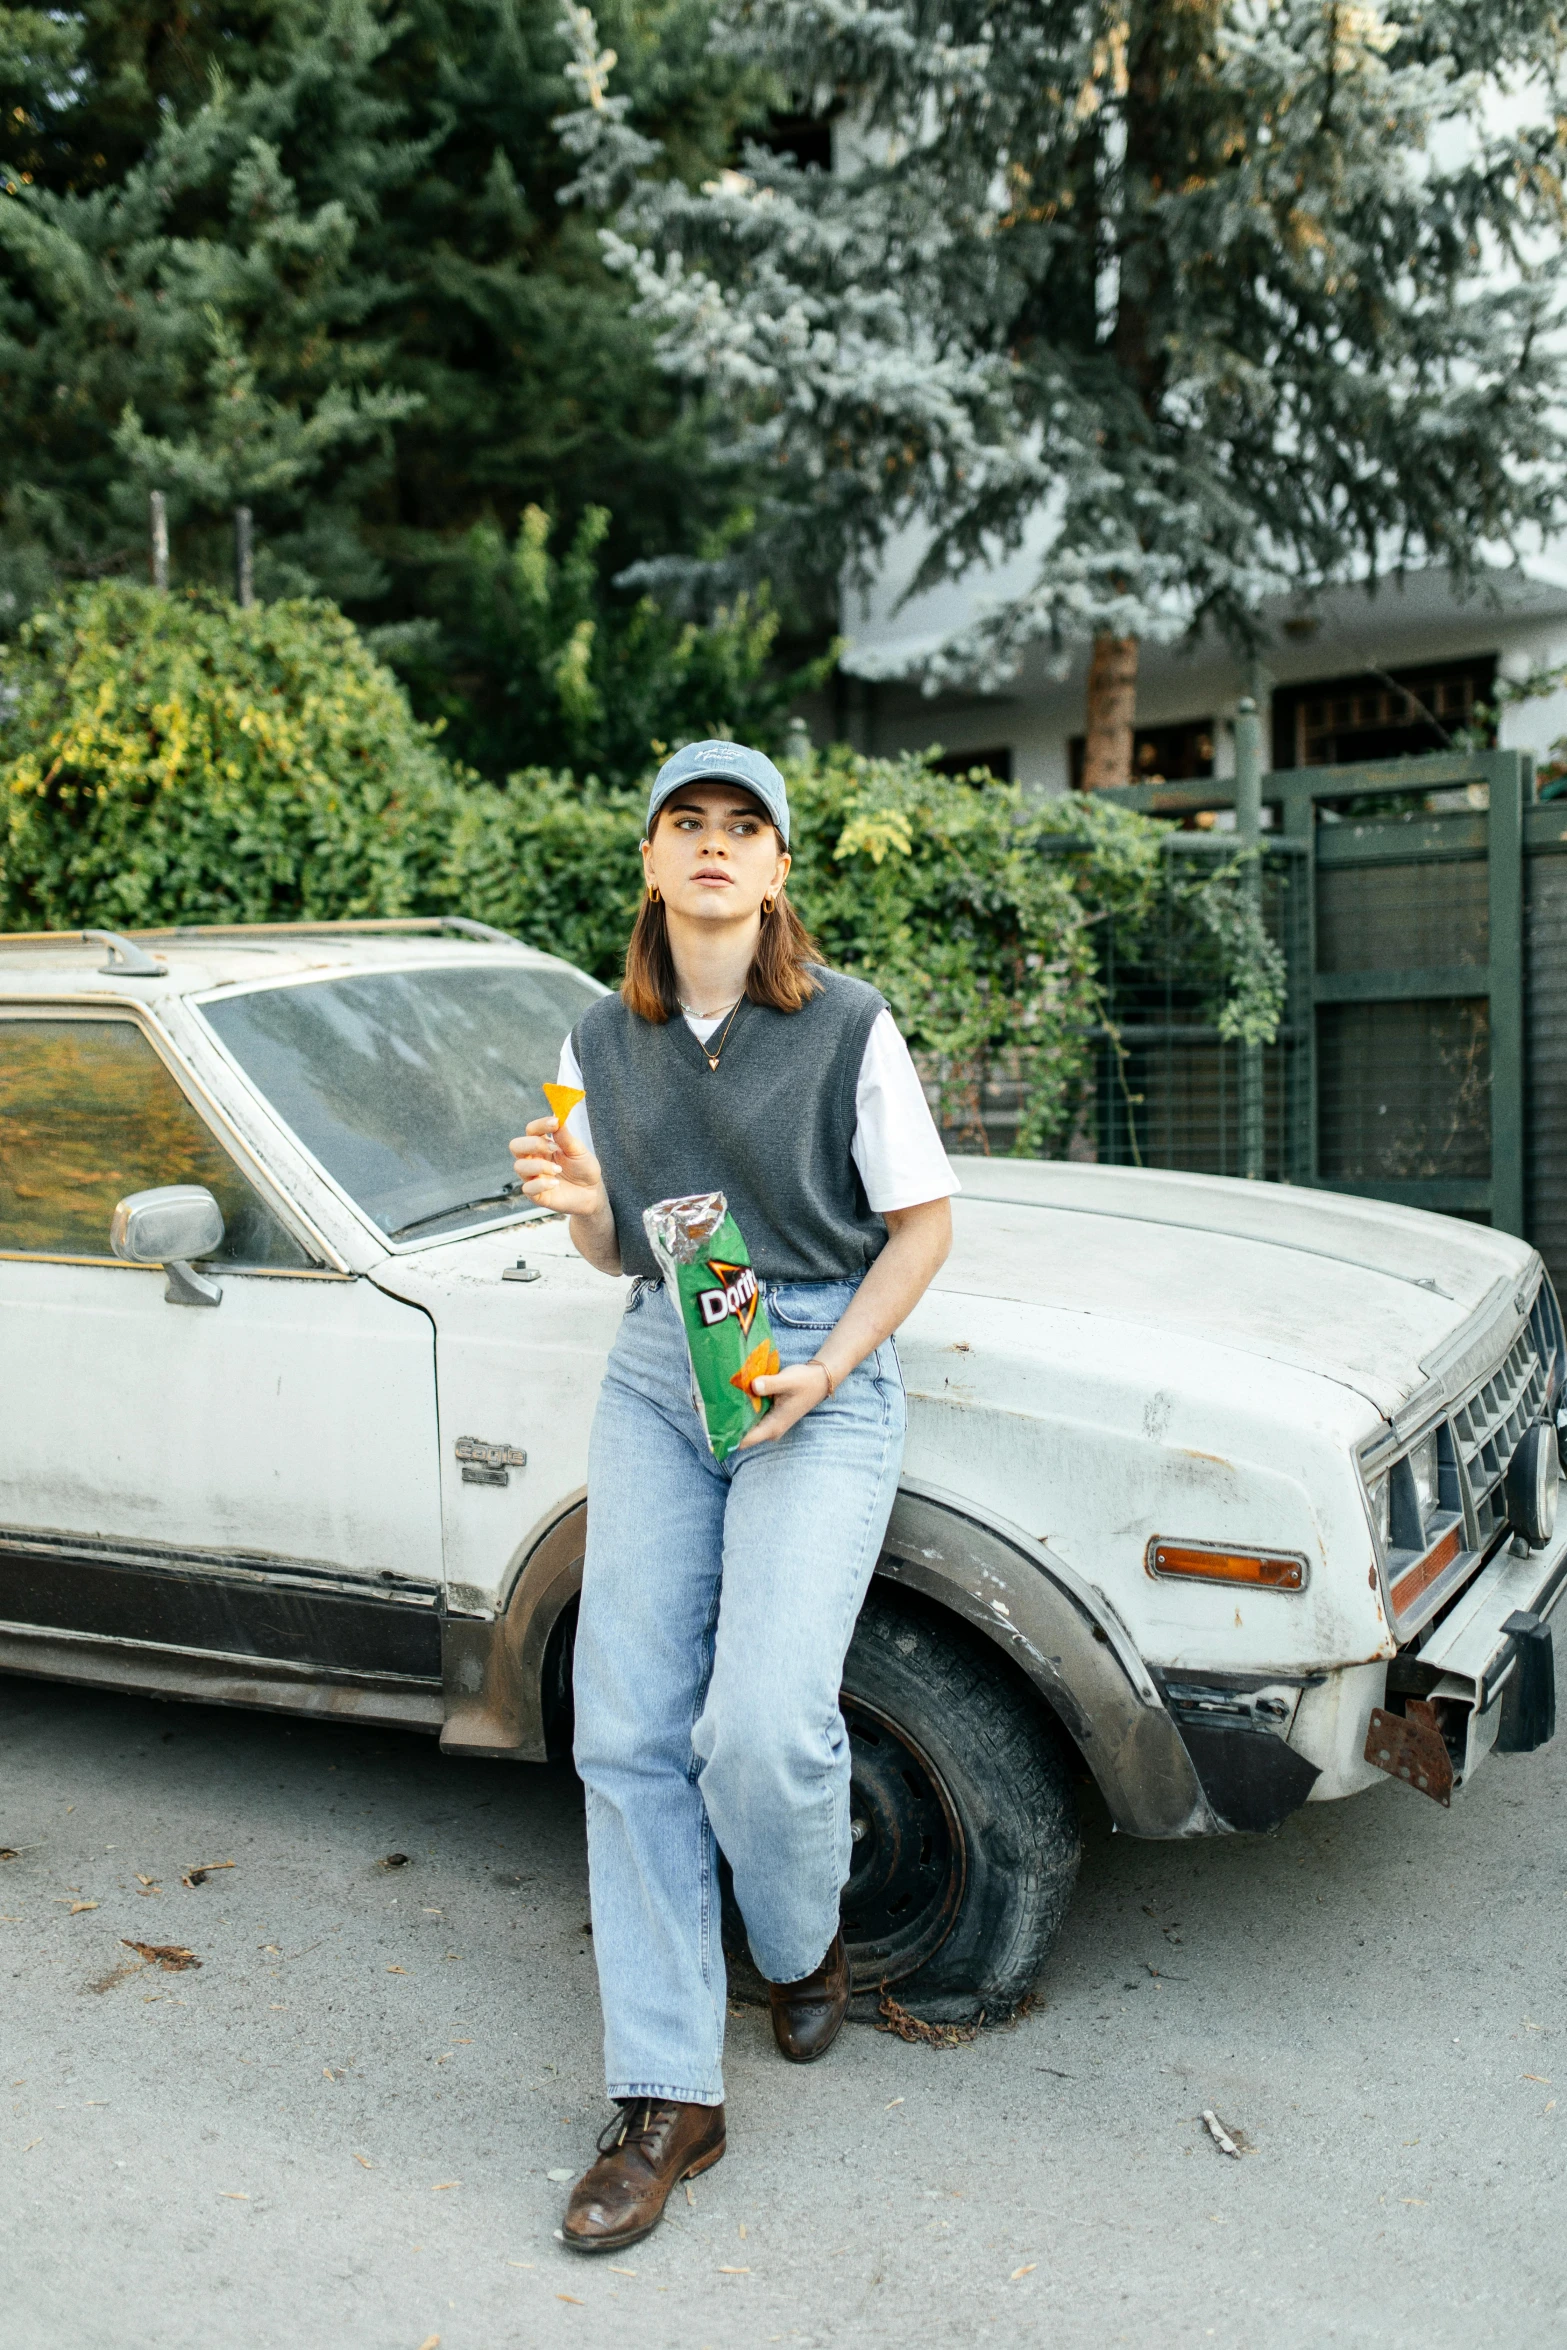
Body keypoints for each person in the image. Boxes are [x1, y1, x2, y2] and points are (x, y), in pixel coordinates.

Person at [509, 740, 956, 2255]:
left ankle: (799, 1929)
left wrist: (825, 1372)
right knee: (630, 1726)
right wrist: (583, 1211)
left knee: (758, 1724)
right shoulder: (597, 1033)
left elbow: (923, 1226)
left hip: (811, 1366)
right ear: (651, 862)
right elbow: (615, 1247)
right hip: (660, 1367)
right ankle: (665, 2095)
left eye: (740, 826)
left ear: (775, 869)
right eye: (684, 824)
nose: (711, 845)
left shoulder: (845, 1026)